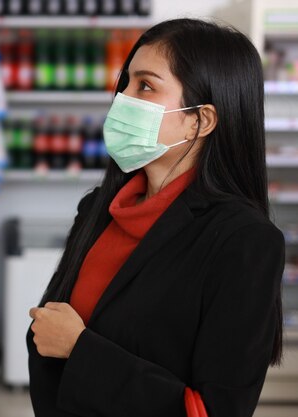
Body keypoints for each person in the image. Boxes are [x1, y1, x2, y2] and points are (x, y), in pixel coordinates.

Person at [27, 18, 286, 417]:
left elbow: (214, 411)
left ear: (200, 120)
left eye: (145, 86)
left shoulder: (244, 242)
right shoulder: (98, 210)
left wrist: (81, 351)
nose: (122, 99)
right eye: (126, 83)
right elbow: (48, 339)